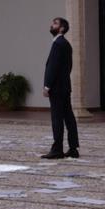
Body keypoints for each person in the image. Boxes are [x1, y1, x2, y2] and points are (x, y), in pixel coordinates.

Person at [41, 17, 79, 159]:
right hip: (65, 87)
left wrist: (47, 86)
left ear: (62, 28)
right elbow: (67, 67)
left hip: (56, 88)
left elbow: (53, 67)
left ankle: (57, 149)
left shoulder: (58, 43)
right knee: (69, 117)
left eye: (55, 23)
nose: (52, 25)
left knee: (57, 118)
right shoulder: (66, 44)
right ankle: (73, 148)